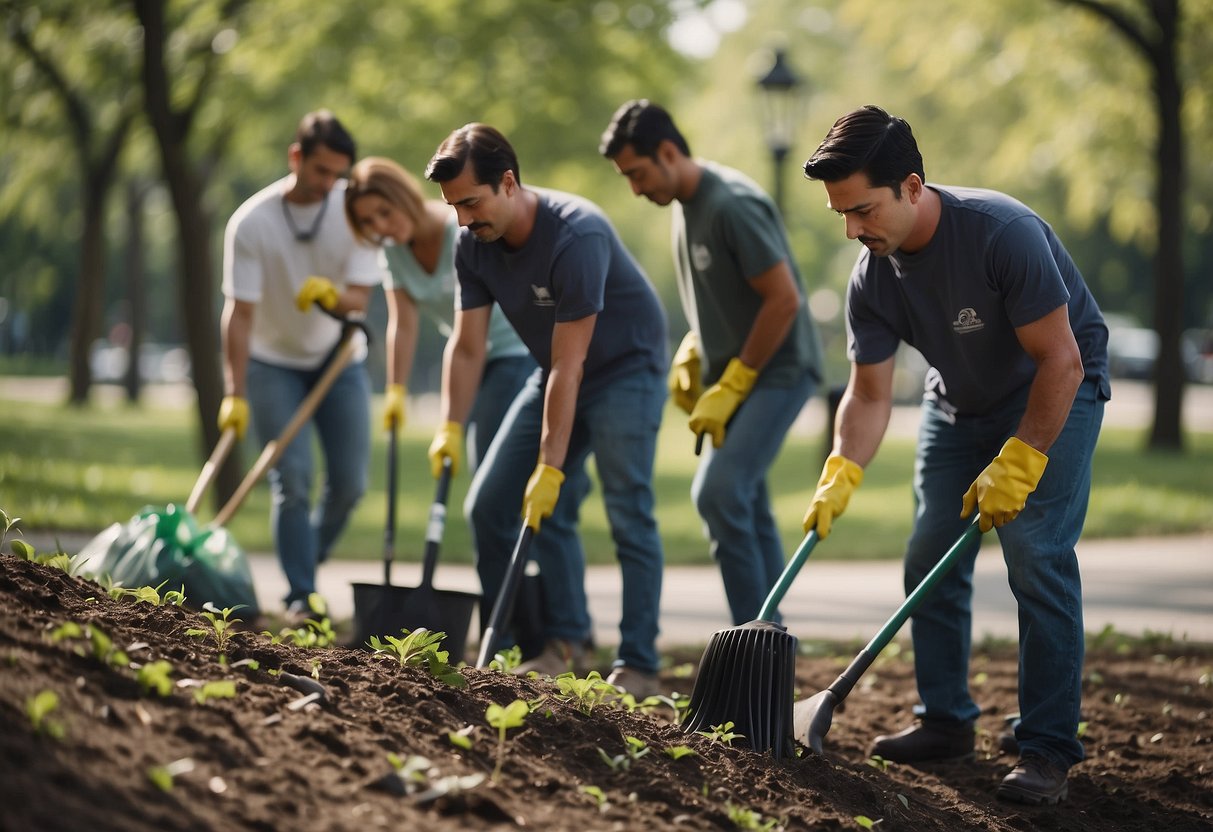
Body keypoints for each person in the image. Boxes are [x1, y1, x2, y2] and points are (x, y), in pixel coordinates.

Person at [798, 105, 1110, 805]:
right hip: (955, 405)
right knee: (928, 554)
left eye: (862, 209)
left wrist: (1023, 457)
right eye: (839, 214)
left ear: (911, 186)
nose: (851, 228)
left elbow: (1059, 360)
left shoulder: (1002, 234)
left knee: (1035, 553)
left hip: (1054, 389)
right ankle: (944, 721)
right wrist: (841, 469)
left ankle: (1047, 747)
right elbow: (870, 394)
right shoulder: (870, 274)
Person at [424, 123, 669, 697]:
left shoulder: (575, 235)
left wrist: (550, 467)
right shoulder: (473, 244)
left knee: (627, 510)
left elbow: (571, 365)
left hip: (625, 370)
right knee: (488, 505)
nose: (462, 219)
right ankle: (535, 648)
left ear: (508, 182)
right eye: (453, 206)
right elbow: (466, 345)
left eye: (470, 202)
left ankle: (639, 663)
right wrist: (450, 428)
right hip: (554, 370)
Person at [600, 100, 824, 625]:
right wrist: (696, 346)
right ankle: (773, 639)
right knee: (744, 503)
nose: (634, 188)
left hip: (781, 371)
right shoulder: (686, 205)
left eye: (637, 173)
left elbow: (783, 299)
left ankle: (753, 642)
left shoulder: (730, 204)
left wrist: (736, 380)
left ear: (669, 152)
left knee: (718, 493)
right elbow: (727, 295)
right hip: (740, 375)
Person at [219, 110, 384, 623]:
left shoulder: (352, 212)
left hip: (338, 361)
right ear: (296, 157)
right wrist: (236, 391)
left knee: (351, 482)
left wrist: (333, 297)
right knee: (292, 478)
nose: (330, 183)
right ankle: (301, 597)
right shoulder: (252, 223)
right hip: (272, 363)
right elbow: (239, 314)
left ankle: (304, 563)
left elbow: (360, 296)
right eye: (321, 171)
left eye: (339, 173)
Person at [343, 156, 535, 471]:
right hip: (469, 359)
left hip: (514, 351)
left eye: (384, 213)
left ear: (404, 197)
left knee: (491, 465)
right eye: (367, 222)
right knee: (481, 464)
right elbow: (403, 325)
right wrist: (396, 390)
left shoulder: (461, 230)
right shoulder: (393, 251)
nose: (380, 227)